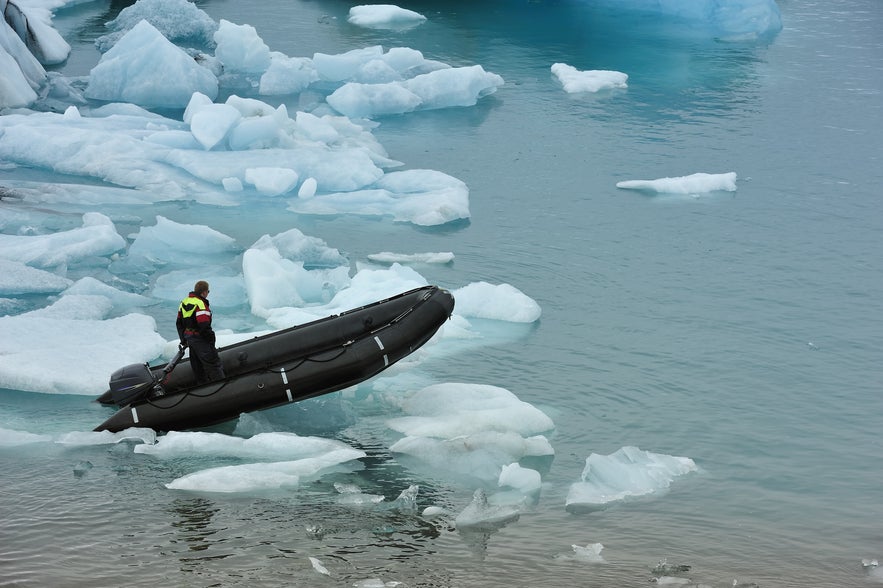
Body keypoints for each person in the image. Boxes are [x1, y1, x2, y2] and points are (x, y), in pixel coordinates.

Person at [176, 280, 225, 383]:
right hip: (200, 339)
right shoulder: (201, 304)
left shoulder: (184, 302)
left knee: (197, 367)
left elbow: (179, 323)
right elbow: (203, 325)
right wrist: (211, 339)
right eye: (208, 291)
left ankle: (202, 387)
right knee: (213, 364)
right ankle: (221, 386)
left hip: (190, 339)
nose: (208, 293)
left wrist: (183, 339)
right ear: (204, 292)